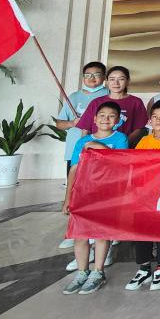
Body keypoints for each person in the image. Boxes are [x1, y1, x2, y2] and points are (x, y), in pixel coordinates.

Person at [61, 101, 129, 295]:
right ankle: (82, 272)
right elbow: (74, 169)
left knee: (101, 234)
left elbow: (120, 162)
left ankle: (98, 272)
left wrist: (96, 146)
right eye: (102, 116)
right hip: (84, 192)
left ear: (117, 120)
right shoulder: (82, 141)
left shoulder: (120, 138)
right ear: (94, 119)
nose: (106, 119)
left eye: (111, 116)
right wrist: (68, 197)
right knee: (80, 235)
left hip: (107, 193)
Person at [126, 100, 160, 292]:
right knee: (142, 230)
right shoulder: (144, 140)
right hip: (143, 194)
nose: (158, 120)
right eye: (155, 116)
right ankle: (144, 268)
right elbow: (135, 165)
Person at [53, 61, 107, 186]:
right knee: (74, 186)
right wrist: (72, 123)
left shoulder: (109, 95)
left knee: (99, 186)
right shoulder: (73, 97)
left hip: (102, 147)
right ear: (83, 77)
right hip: (75, 148)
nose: (92, 78)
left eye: (97, 74)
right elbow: (59, 124)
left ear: (104, 77)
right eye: (88, 75)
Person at [74, 66, 149, 146]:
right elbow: (86, 130)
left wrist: (123, 145)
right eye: (112, 79)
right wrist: (84, 147)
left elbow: (139, 129)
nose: (116, 83)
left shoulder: (136, 102)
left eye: (121, 79)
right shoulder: (96, 102)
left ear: (127, 81)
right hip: (96, 149)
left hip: (123, 149)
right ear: (106, 81)